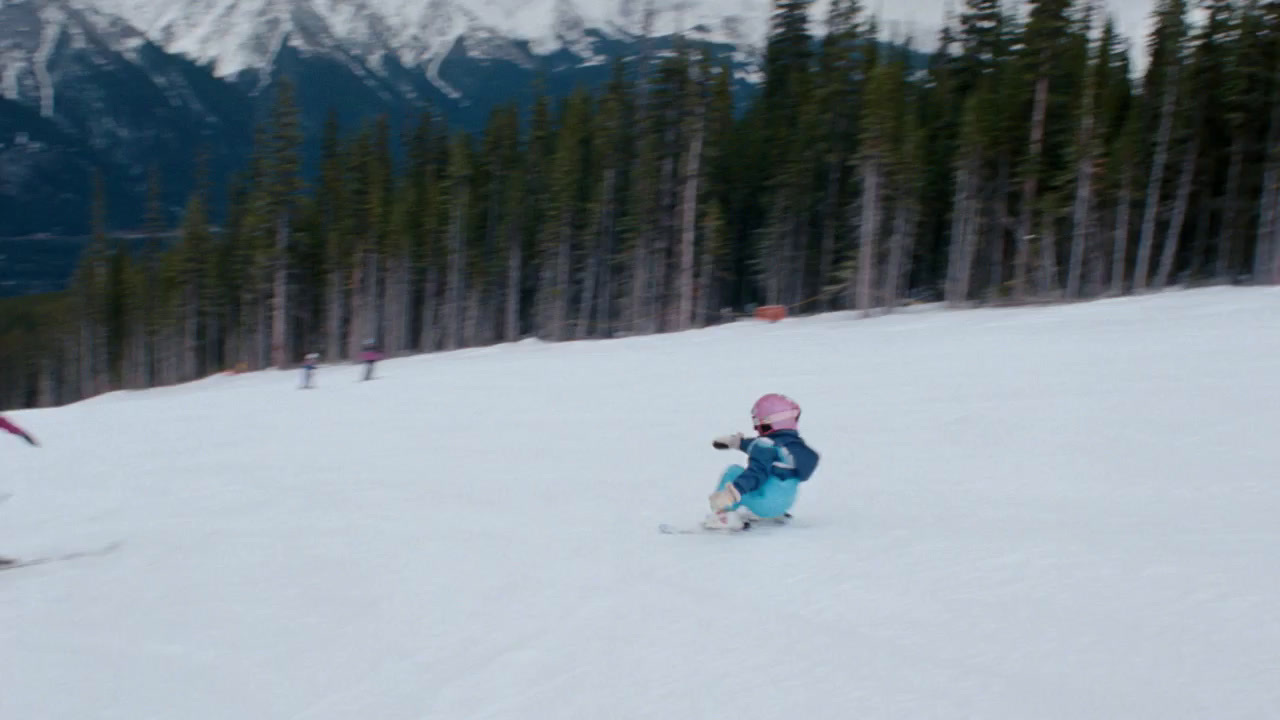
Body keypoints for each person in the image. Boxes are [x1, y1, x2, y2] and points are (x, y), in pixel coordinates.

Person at [705, 393, 818, 530]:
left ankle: (722, 516)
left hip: (765, 504)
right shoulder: (795, 447)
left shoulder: (765, 445)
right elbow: (760, 446)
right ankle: (770, 513)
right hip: (785, 503)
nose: (756, 429)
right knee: (774, 475)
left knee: (733, 471)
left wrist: (733, 493)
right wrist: (737, 442)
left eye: (760, 425)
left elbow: (756, 473)